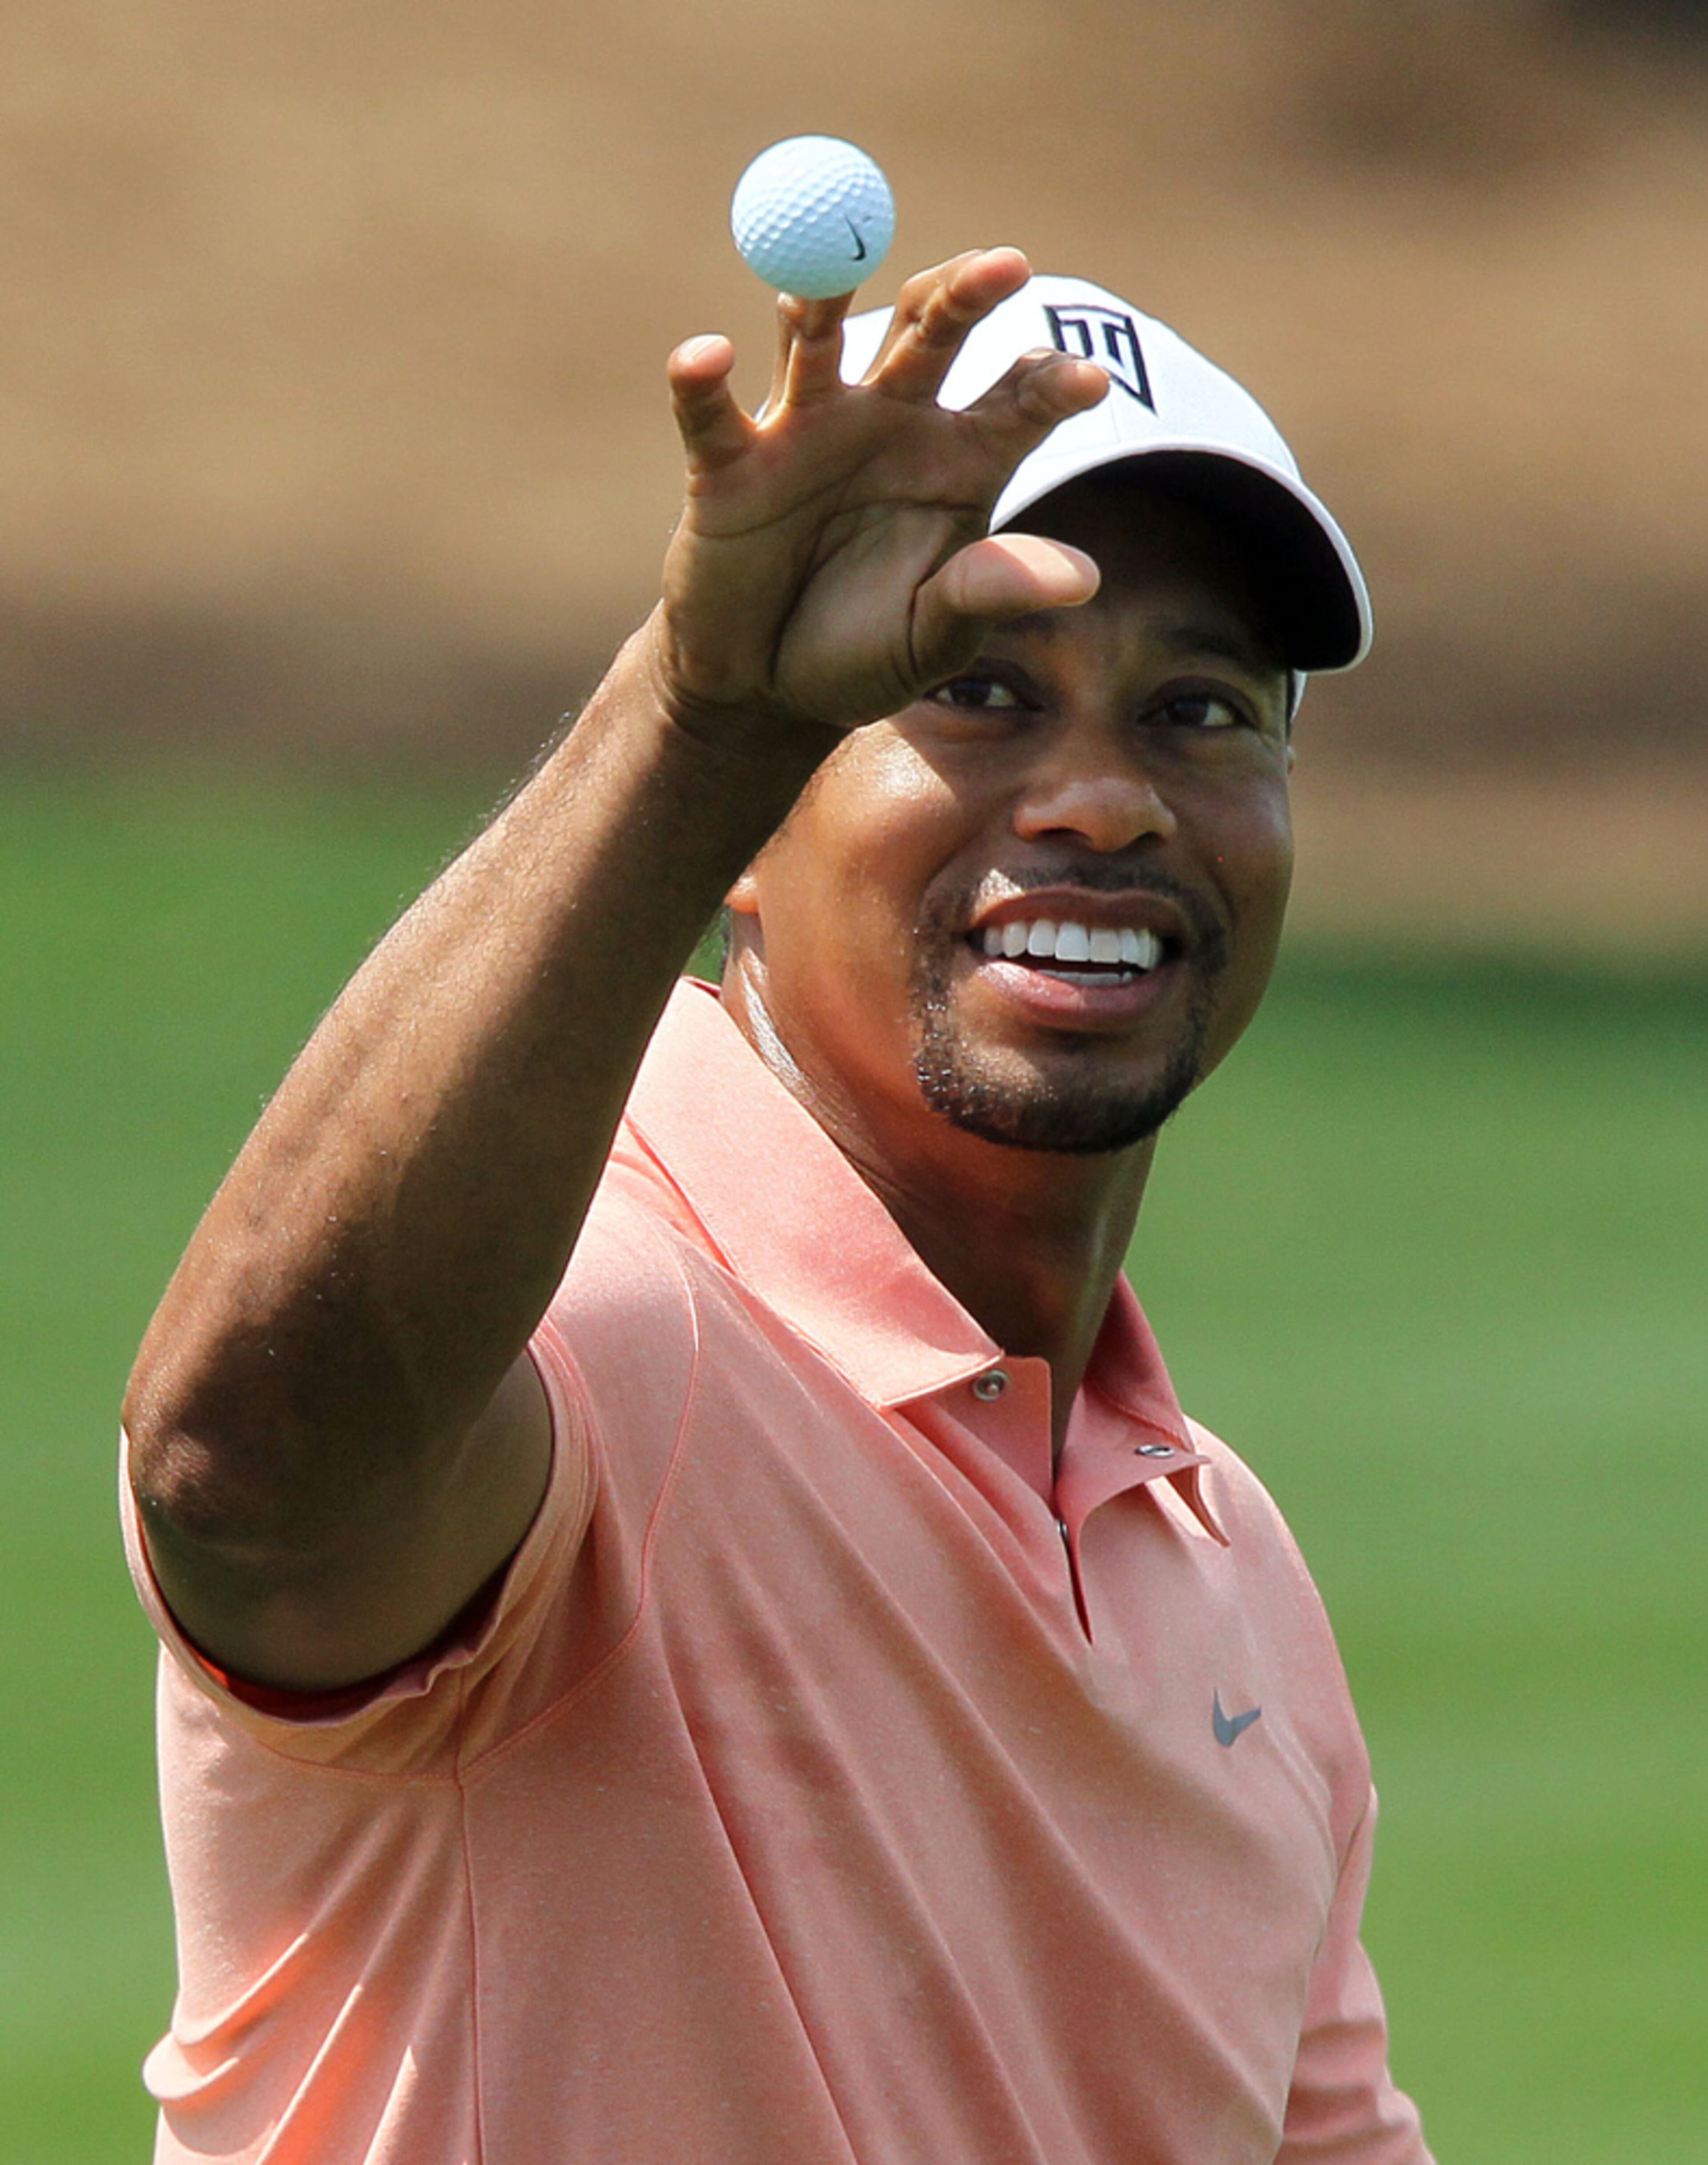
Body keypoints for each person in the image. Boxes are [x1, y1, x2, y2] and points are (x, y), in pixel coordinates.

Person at [122, 249, 1433, 2164]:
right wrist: (695, 723)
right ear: (747, 835)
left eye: (1203, 710)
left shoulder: (1227, 1567)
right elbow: (250, 1470)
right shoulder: (601, 1336)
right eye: (971, 687)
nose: (1101, 798)